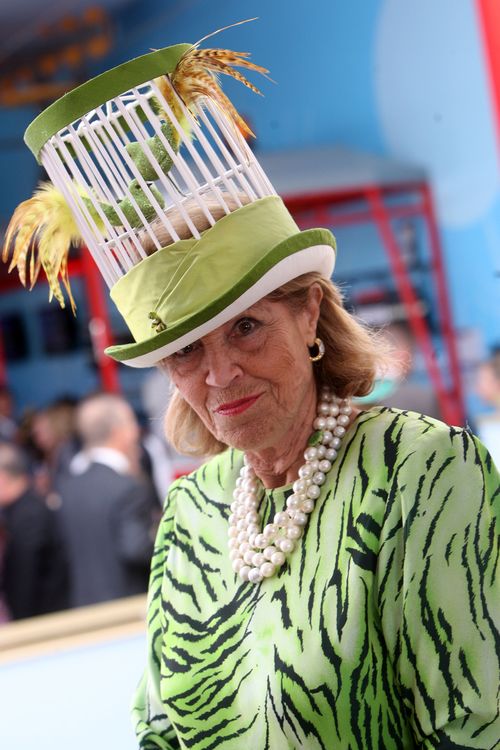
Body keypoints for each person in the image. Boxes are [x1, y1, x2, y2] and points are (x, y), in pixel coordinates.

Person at [4, 22, 499, 748]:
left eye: (246, 328)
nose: (220, 374)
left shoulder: (425, 474)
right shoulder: (192, 512)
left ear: (308, 311)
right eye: (185, 353)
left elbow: (476, 725)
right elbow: (160, 728)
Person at [56, 394, 156, 608]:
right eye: (131, 423)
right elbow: (136, 549)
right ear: (119, 433)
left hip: (82, 606)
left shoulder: (67, 488)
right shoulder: (128, 488)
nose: (135, 431)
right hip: (128, 608)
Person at [0, 442, 68, 619]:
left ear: (3, 477)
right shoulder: (24, 509)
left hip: (43, 621)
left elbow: (24, 581)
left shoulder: (29, 516)